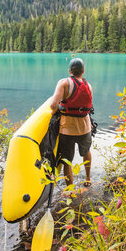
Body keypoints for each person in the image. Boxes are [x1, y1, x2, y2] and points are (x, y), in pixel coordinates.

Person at [50, 57, 93, 187]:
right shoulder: (88, 86)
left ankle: (70, 189)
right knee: (86, 152)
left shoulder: (64, 83)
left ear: (70, 71)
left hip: (67, 128)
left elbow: (53, 105)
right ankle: (87, 179)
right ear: (83, 71)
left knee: (67, 160)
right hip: (85, 127)